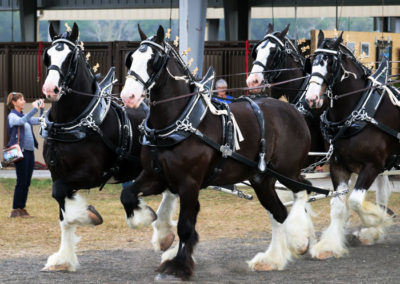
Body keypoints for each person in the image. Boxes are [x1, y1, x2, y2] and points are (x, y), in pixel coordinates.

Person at [7, 92, 44, 218]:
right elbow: (22, 121)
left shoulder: (24, 115)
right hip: (20, 152)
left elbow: (40, 120)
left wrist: (42, 108)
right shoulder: (12, 116)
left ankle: (21, 208)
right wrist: (34, 108)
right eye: (21, 99)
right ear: (14, 102)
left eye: (23, 99)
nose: (24, 101)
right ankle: (15, 209)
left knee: (27, 181)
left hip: (29, 152)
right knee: (21, 181)